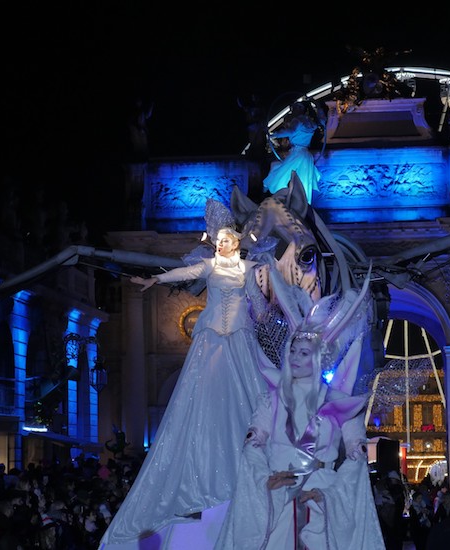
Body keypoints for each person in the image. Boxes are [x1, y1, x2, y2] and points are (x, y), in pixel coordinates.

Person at [98, 224, 273, 547]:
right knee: (201, 396)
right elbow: (184, 272)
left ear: (235, 244)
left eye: (224, 241)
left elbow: (261, 300)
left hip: (239, 335)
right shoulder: (209, 266)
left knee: (247, 397)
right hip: (211, 337)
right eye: (217, 241)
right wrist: (155, 279)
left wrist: (268, 311)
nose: (219, 245)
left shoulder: (250, 269)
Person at [215, 262, 384, 549]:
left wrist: (331, 493)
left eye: (303, 352)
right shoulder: (272, 400)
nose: (294, 357)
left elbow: (356, 458)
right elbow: (252, 446)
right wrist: (264, 481)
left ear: (317, 358)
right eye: (292, 350)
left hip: (322, 499)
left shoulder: (339, 403)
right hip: (278, 500)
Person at [262, 101, 324, 203]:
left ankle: (268, 187)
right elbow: (322, 121)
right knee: (304, 181)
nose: (292, 111)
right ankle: (304, 205)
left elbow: (290, 131)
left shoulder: (298, 120)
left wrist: (273, 135)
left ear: (299, 109)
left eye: (294, 109)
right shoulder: (310, 122)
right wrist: (319, 107)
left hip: (297, 154)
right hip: (306, 155)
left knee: (282, 171)